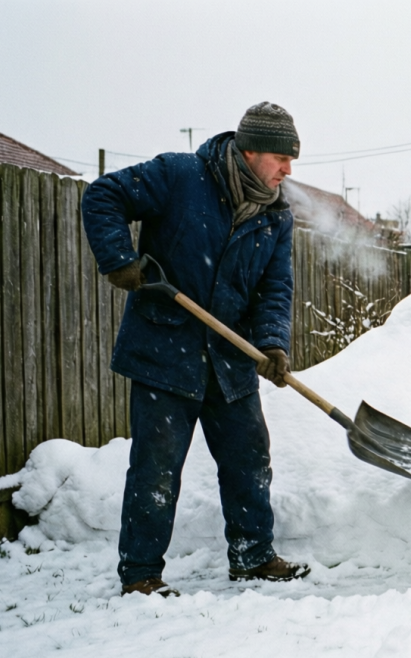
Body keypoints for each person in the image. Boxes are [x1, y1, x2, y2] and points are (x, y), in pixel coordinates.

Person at [82, 102, 310, 597]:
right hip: (166, 349)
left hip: (230, 359)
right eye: (281, 158)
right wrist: (118, 259)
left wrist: (271, 343)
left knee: (249, 456)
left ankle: (252, 556)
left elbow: (276, 287)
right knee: (156, 466)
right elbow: (103, 195)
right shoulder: (182, 176)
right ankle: (141, 573)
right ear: (250, 152)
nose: (288, 170)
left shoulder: (276, 217)